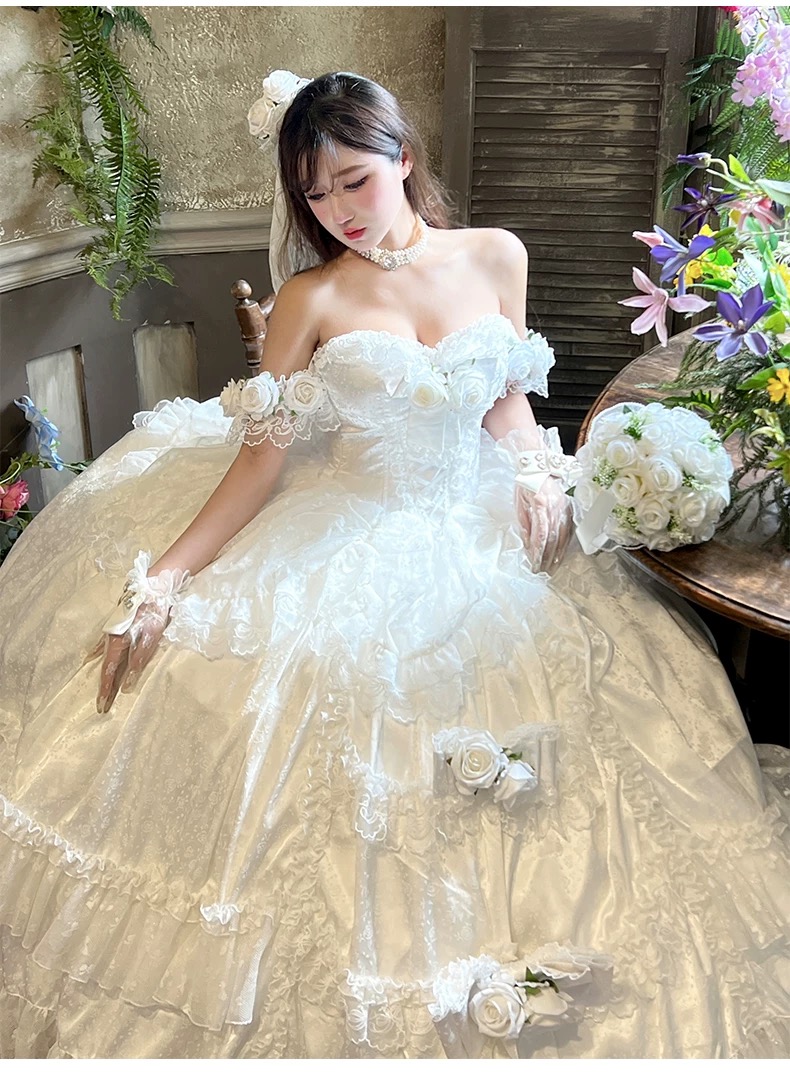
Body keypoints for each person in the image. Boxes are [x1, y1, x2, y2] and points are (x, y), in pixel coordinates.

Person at [0, 71, 788, 1060]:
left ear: (403, 158)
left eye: (354, 181)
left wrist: (535, 472)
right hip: (346, 527)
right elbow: (260, 464)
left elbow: (505, 400)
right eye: (315, 193)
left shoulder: (495, 254)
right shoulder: (311, 296)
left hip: (477, 521)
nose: (338, 210)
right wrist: (162, 580)